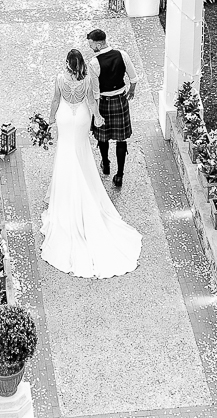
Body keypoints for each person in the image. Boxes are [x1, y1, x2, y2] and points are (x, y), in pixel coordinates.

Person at [40, 47, 142, 280]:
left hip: (65, 118)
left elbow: (56, 100)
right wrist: (96, 116)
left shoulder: (59, 79)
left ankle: (66, 192)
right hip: (82, 119)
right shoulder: (86, 80)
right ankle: (85, 184)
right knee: (81, 151)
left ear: (67, 63)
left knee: (65, 151)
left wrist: (49, 121)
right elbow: (91, 102)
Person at [86, 27, 139, 188]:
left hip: (104, 102)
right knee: (121, 139)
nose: (90, 47)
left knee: (103, 136)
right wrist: (131, 91)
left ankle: (106, 164)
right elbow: (134, 78)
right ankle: (120, 175)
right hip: (121, 101)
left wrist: (96, 114)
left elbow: (95, 93)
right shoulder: (122, 55)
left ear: (99, 44)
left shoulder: (94, 63)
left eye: (92, 44)